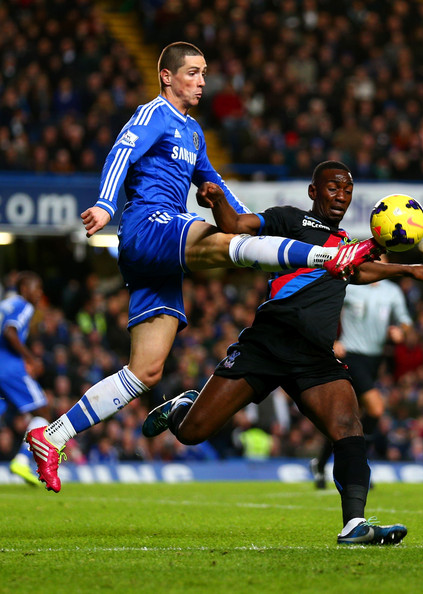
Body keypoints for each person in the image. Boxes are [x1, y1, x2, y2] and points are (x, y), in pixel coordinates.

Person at [25, 43, 379, 493]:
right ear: (166, 77)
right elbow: (121, 152)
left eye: (204, 73)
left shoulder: (193, 133)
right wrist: (105, 204)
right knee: (225, 245)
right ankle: (329, 256)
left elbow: (216, 185)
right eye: (192, 72)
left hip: (160, 260)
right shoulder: (153, 114)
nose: (202, 82)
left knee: (145, 372)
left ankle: (53, 435)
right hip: (150, 224)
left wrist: (254, 225)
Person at [142, 161, 423, 545]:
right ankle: (183, 406)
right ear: (314, 191)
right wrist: (217, 201)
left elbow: (357, 272)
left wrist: (406, 269)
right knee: (192, 433)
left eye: (347, 190)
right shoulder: (289, 220)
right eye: (333, 188)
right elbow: (237, 226)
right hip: (267, 344)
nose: (341, 196)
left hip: (314, 355)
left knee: (349, 427)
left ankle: (354, 524)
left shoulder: (345, 243)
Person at [310, 265, 413, 488]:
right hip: (352, 355)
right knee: (375, 408)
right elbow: (325, 307)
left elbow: (405, 320)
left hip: (375, 360)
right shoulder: (351, 286)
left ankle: (321, 464)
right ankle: (359, 465)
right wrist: (332, 340)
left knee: (347, 418)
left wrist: (402, 331)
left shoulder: (391, 291)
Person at [0, 271, 50, 486]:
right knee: (43, 411)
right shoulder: (24, 305)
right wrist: (31, 358)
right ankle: (22, 460)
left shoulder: (5, 304)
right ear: (24, 289)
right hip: (9, 368)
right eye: (36, 288)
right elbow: (10, 331)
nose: (39, 293)